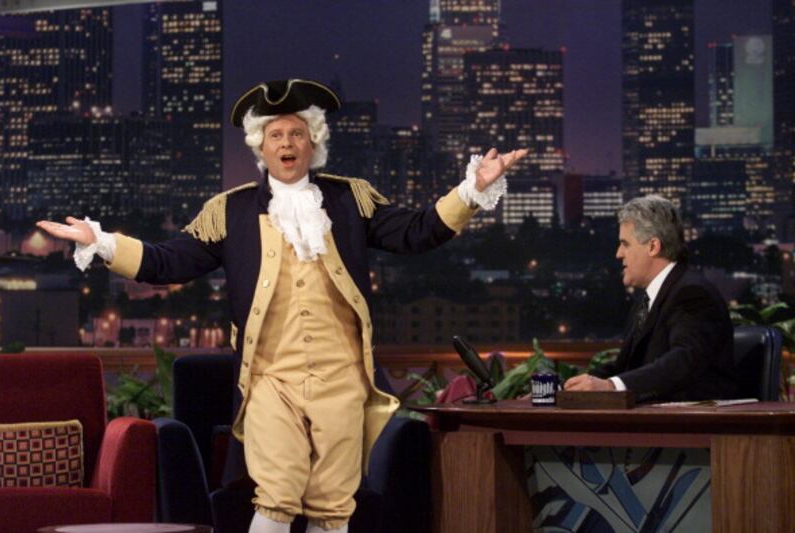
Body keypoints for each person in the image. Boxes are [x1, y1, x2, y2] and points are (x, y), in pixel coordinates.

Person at [37, 78, 528, 533]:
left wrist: (473, 190)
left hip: (342, 378)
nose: (287, 143)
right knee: (277, 494)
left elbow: (417, 231)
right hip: (271, 380)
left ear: (313, 142)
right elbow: (169, 262)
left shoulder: (351, 199)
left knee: (333, 505)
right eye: (275, 134)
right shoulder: (229, 211)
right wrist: (102, 243)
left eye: (297, 133)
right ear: (261, 145)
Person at [564, 195, 740, 402]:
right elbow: (625, 366)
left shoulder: (692, 293)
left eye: (625, 244)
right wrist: (566, 389)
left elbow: (683, 361)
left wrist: (611, 386)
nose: (618, 254)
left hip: (692, 418)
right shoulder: (647, 299)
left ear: (653, 247)